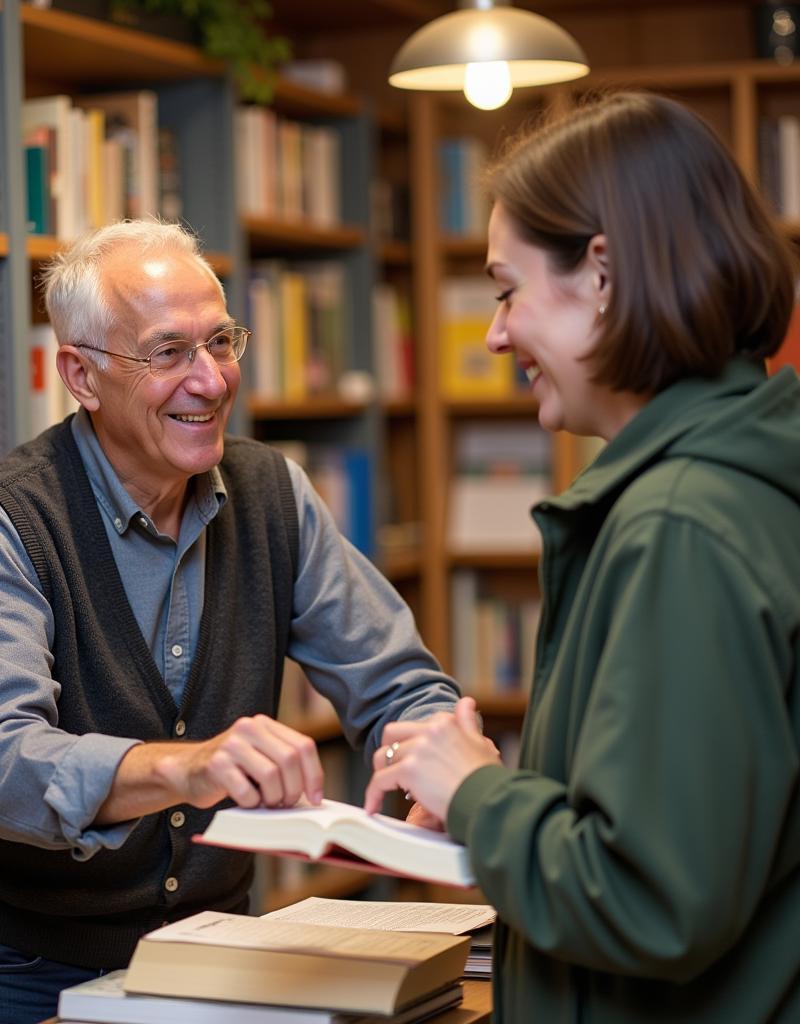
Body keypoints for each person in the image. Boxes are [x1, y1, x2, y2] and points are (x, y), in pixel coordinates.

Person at [0, 218, 460, 1022]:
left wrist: (439, 746)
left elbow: (393, 677)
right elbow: (0, 764)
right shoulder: (10, 520)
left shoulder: (273, 494)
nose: (210, 381)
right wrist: (188, 768)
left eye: (222, 343)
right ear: (82, 375)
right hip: (13, 961)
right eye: (169, 353)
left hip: (207, 945)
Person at [364, 92, 800, 1023]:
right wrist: (504, 794)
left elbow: (651, 897)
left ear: (601, 274)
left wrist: (476, 793)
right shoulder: (723, 489)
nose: (493, 332)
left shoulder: (681, 528)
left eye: (505, 289)